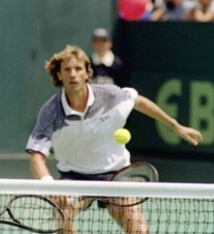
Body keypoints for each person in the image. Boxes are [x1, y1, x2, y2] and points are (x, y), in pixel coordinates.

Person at [26, 45, 203, 234]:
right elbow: (37, 156)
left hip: (115, 175)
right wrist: (50, 186)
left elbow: (138, 101)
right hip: (75, 177)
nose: (73, 74)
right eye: (67, 70)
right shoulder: (51, 111)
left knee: (140, 232)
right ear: (59, 75)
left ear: (88, 73)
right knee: (61, 213)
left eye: (78, 69)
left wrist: (175, 125)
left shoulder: (110, 95)